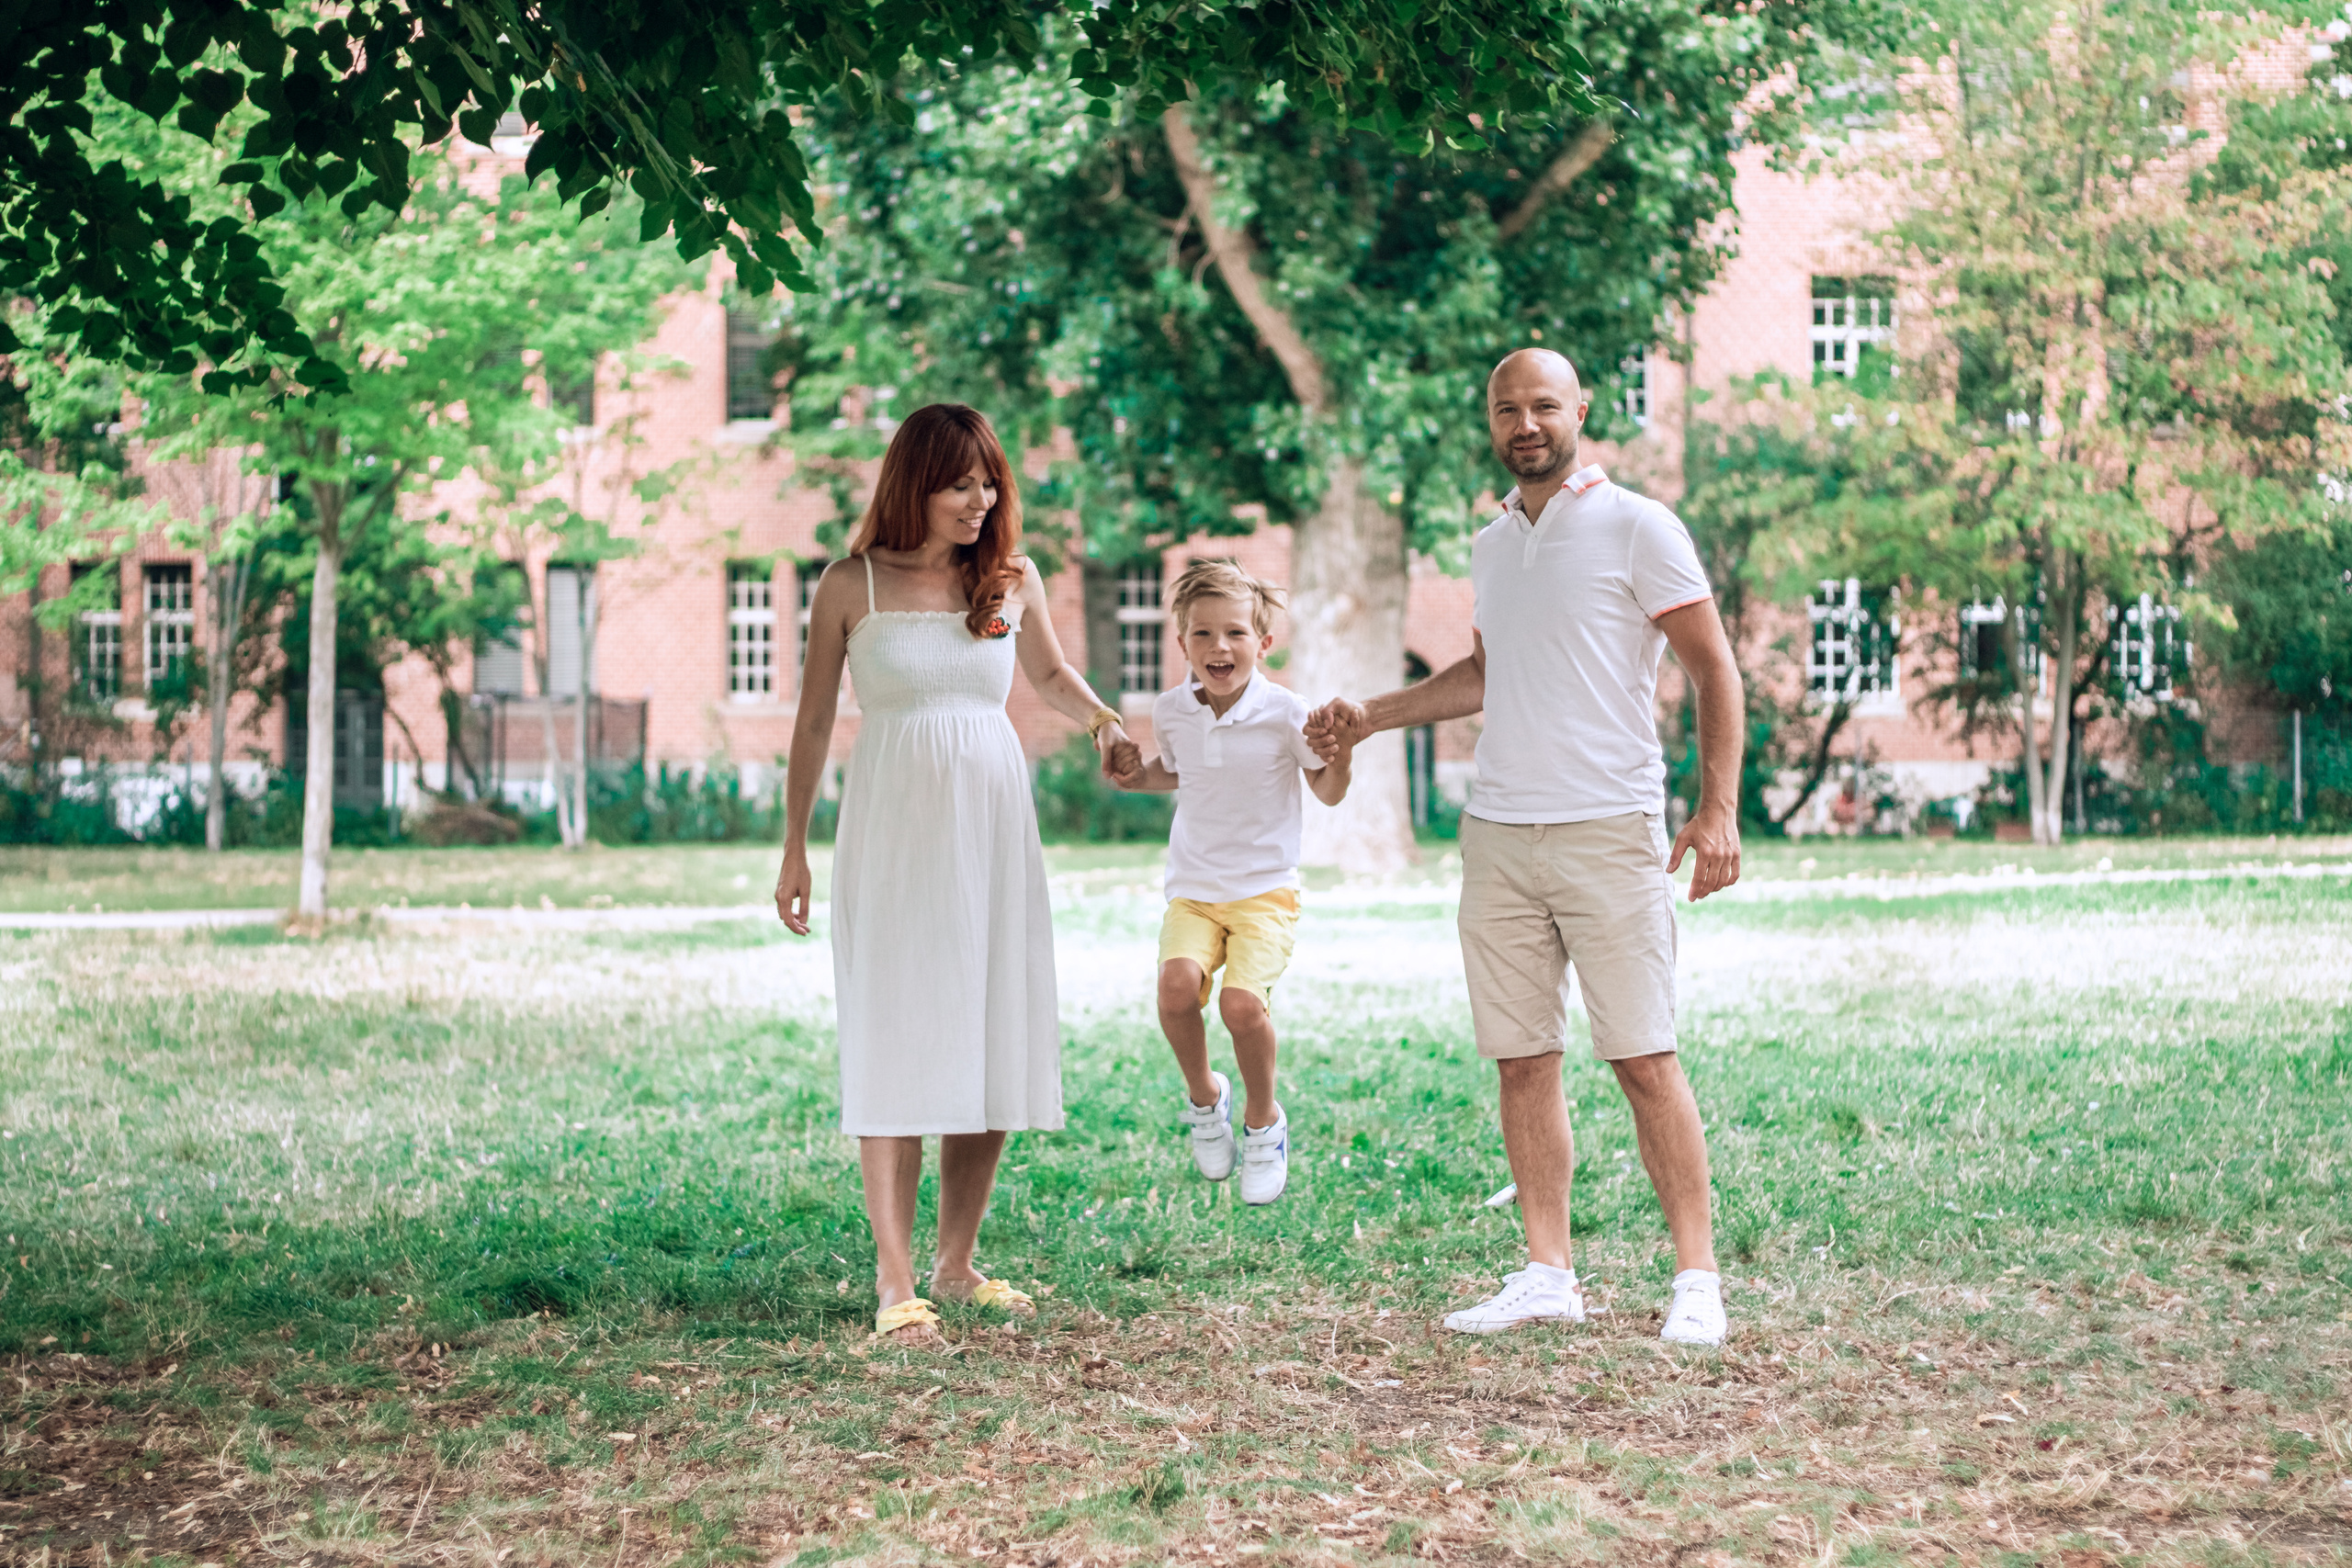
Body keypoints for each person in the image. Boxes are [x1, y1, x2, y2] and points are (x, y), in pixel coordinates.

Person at [1304, 348, 1745, 1347]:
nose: (1526, 424)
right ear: (1492, 421)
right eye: (1507, 408)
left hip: (1609, 826)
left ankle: (1696, 1279)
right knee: (1521, 1059)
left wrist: (1717, 810)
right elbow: (1485, 672)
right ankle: (1549, 1273)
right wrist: (1370, 714)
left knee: (1642, 1055)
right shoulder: (1493, 545)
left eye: (1544, 405)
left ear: (1579, 409)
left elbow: (1714, 668)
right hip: (1499, 834)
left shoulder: (1638, 527)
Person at [775, 402, 1140, 1344]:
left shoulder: (1011, 581)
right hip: (892, 823)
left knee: (989, 1028)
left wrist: (1106, 725)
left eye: (989, 484)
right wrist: (792, 848)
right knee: (895, 1034)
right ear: (914, 484)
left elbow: (1053, 678)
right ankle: (896, 1282)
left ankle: (956, 1260)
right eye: (959, 484)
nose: (980, 500)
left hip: (990, 820)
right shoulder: (848, 585)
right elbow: (813, 722)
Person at [1108, 558, 1352, 1206]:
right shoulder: (1172, 710)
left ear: (1263, 643)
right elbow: (1178, 770)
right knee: (1175, 986)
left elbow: (1326, 790)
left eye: (1236, 633)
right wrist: (1137, 773)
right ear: (1182, 643)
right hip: (1193, 886)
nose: (1221, 648)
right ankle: (1205, 1099)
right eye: (1204, 635)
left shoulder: (1284, 711)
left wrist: (1343, 754)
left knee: (1242, 1007)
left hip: (1265, 889)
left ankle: (1264, 1122)